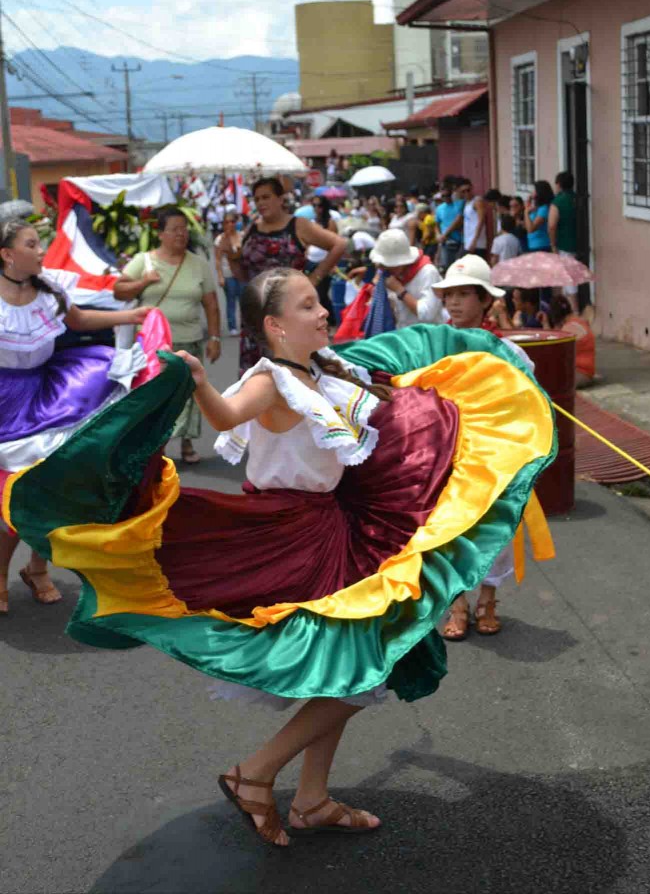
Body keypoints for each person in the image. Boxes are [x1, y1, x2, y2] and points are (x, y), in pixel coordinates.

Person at [6, 265, 555, 847]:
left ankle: (312, 798)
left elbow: (386, 402)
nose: (322, 313)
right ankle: (256, 773)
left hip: (335, 526)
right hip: (291, 536)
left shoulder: (325, 370)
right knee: (363, 666)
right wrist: (195, 380)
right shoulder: (270, 380)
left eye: (319, 304)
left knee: (347, 664)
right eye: (308, 306)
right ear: (274, 325)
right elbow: (225, 415)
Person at [0, 218, 153, 614]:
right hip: (6, 403)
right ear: (7, 254)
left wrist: (131, 316)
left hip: (49, 394)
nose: (40, 251)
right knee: (8, 496)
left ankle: (37, 568)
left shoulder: (48, 288)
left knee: (50, 487)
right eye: (32, 244)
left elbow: (82, 321)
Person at [432, 255, 533, 639]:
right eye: (449, 295)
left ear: (484, 300)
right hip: (445, 454)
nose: (454, 303)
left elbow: (528, 399)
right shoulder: (433, 346)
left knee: (495, 530)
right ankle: (456, 603)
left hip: (493, 456)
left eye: (463, 294)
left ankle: (488, 600)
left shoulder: (506, 353)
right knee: (447, 529)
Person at [113, 206, 221, 465]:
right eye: (174, 229)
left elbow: (211, 304)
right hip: (153, 345)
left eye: (184, 229)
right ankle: (154, 447)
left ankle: (187, 443)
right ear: (160, 233)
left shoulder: (199, 265)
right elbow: (119, 291)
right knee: (154, 396)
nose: (181, 234)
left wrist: (215, 338)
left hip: (190, 339)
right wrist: (144, 282)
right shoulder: (144, 261)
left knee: (190, 394)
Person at [235, 177, 346, 375]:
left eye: (266, 197)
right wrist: (229, 257)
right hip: (255, 316)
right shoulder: (251, 229)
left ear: (280, 199)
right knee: (258, 380)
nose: (261, 203)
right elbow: (243, 275)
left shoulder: (298, 225)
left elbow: (339, 244)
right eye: (257, 198)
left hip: (290, 314)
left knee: (293, 375)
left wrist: (315, 278)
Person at [369, 229, 443, 328]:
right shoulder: (389, 275)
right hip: (403, 336)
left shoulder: (428, 272)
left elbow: (427, 314)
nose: (384, 269)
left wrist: (400, 291)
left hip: (427, 337)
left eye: (388, 265)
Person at [546, 294, 596, 387]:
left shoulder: (568, 328)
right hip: (587, 371)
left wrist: (546, 324)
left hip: (580, 374)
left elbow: (554, 350)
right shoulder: (579, 321)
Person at [305, 195, 340, 322]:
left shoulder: (330, 222)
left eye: (319, 205)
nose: (316, 209)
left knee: (322, 293)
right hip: (310, 260)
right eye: (314, 205)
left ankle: (331, 321)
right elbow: (307, 241)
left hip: (324, 262)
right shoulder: (312, 222)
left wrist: (332, 264)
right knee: (312, 293)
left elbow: (335, 244)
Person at [549, 171, 579, 312]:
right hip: (579, 243)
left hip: (564, 245)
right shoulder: (577, 199)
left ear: (559, 184)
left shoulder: (558, 202)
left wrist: (553, 244)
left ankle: (575, 312)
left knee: (568, 280)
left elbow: (552, 225)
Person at [214, 211, 243, 336]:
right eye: (227, 222)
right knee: (231, 302)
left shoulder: (242, 236)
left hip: (242, 274)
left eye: (232, 222)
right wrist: (220, 276)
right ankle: (232, 327)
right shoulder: (220, 239)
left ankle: (245, 326)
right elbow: (217, 260)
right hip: (228, 275)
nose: (230, 224)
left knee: (244, 302)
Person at [435, 181, 465, 270]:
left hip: (460, 240)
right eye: (443, 196)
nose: (446, 198)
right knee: (447, 267)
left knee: (460, 268)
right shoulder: (439, 208)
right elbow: (437, 224)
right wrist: (438, 235)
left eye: (448, 195)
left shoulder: (459, 204)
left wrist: (445, 234)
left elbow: (459, 221)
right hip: (446, 242)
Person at [524, 181, 554, 253]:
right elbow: (527, 225)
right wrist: (527, 206)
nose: (532, 192)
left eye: (534, 190)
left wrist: (526, 212)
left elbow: (531, 229)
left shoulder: (544, 209)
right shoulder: (537, 207)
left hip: (541, 245)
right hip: (533, 244)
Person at [462, 180, 489, 258]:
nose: (466, 193)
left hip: (477, 244)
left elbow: (481, 221)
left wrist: (474, 241)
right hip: (468, 242)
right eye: (463, 191)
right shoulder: (466, 203)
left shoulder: (477, 201)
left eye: (468, 190)